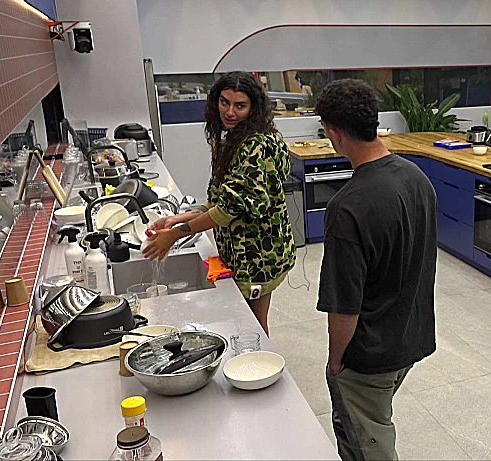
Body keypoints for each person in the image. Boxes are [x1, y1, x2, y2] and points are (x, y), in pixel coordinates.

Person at [315, 79, 437, 461]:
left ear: (335, 134)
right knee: (370, 422)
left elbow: (344, 308)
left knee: (367, 444)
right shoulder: (417, 179)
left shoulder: (347, 207)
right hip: (409, 338)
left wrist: (336, 360)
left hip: (370, 356)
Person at [143, 71, 295, 336]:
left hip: (258, 256)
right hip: (243, 254)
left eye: (240, 105)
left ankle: (260, 362)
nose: (230, 112)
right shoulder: (232, 139)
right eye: (225, 102)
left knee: (254, 327)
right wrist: (179, 218)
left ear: (253, 108)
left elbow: (228, 209)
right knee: (247, 323)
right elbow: (219, 200)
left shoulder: (257, 147)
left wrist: (176, 234)